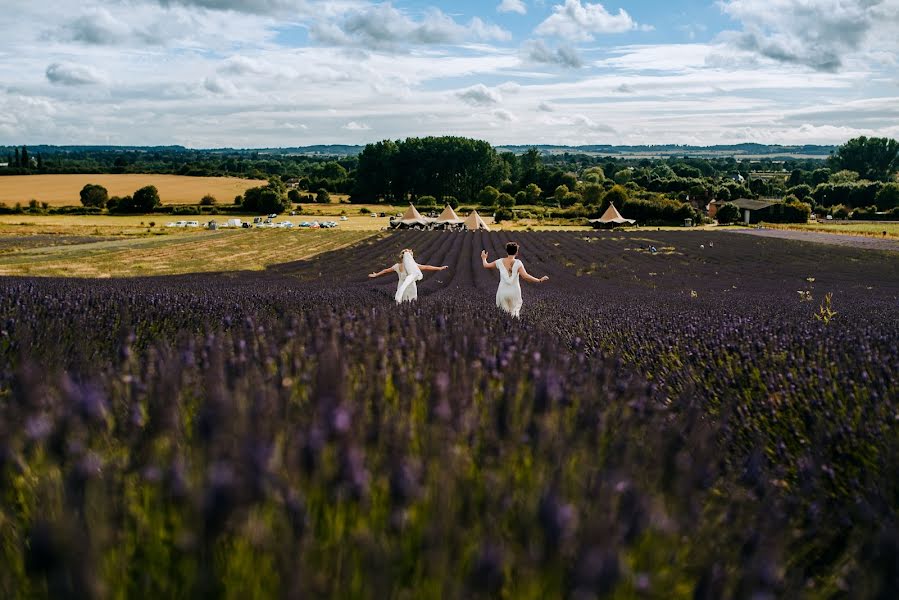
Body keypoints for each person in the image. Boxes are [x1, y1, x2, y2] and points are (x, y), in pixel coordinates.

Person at [481, 241, 548, 318]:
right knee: (515, 314)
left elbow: (486, 265)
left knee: (504, 314)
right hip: (514, 292)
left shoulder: (499, 261)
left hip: (503, 292)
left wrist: (484, 258)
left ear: (507, 251)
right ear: (516, 252)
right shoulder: (518, 263)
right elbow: (525, 276)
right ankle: (516, 327)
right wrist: (539, 280)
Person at [369, 248, 448, 303]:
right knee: (410, 300)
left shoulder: (397, 266)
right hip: (410, 286)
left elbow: (386, 270)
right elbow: (427, 267)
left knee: (402, 300)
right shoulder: (413, 266)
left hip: (402, 285)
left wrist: (376, 275)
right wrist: (439, 268)